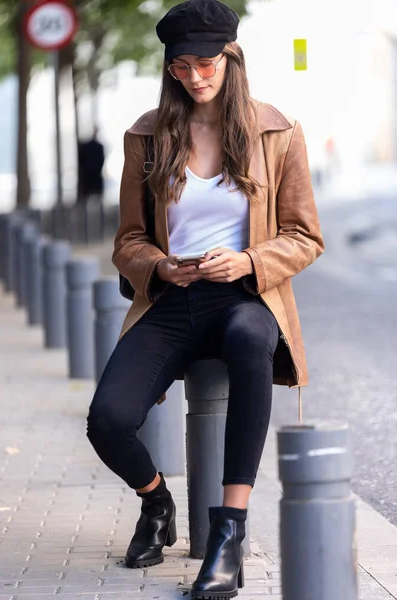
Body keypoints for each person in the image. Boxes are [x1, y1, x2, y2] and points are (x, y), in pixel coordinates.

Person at [86, 0, 324, 598]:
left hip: (246, 297)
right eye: (182, 66)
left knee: (248, 339)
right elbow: (128, 241)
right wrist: (162, 265)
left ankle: (229, 533)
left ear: (231, 58)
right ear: (168, 69)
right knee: (107, 421)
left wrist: (248, 261)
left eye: (207, 63)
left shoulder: (277, 132)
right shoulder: (146, 136)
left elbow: (305, 236)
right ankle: (157, 502)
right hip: (171, 301)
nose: (195, 77)